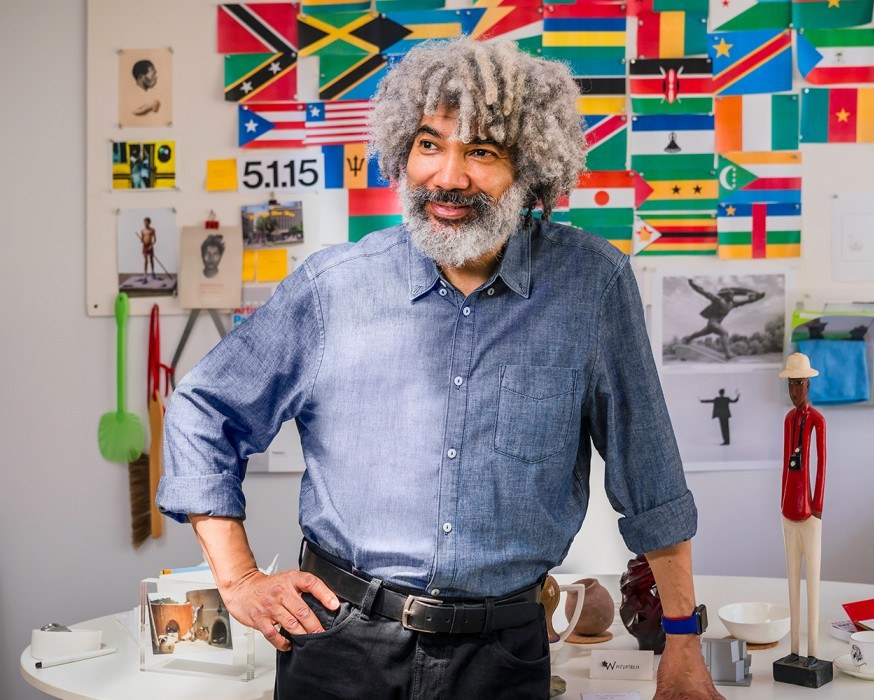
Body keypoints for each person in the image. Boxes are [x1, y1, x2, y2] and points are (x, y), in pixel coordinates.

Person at [159, 37, 722, 700]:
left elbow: (651, 482)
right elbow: (204, 410)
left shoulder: (592, 286)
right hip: (339, 644)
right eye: (430, 144)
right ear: (404, 148)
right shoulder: (334, 287)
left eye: (481, 151)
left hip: (504, 653)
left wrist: (682, 642)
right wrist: (239, 580)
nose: (448, 177)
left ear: (530, 166)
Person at [779, 353, 826, 664]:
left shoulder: (816, 420)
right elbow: (786, 462)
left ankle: (813, 652)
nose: (794, 391)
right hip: (788, 511)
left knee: (813, 585)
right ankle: (795, 650)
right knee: (792, 583)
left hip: (809, 513)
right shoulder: (788, 419)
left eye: (799, 384)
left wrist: (817, 505)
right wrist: (782, 498)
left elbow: (822, 463)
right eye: (791, 384)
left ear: (808, 385)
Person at [681, 280, 765, 359]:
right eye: (730, 294)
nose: (732, 296)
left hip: (716, 324)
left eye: (733, 295)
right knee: (724, 333)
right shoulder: (718, 300)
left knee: (700, 333)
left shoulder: (731, 304)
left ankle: (687, 338)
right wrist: (693, 285)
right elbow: (703, 292)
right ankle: (728, 354)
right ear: (726, 295)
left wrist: (758, 297)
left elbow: (746, 301)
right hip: (712, 323)